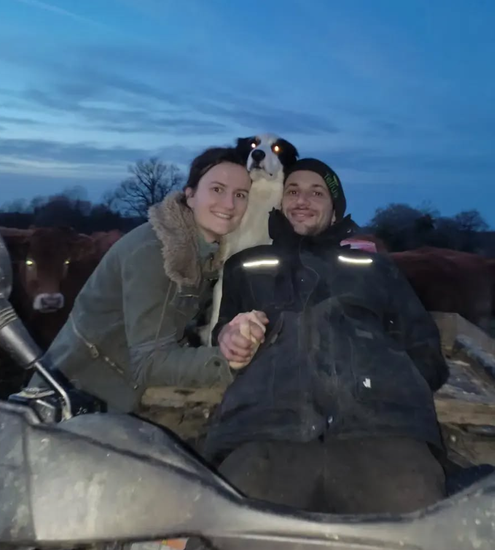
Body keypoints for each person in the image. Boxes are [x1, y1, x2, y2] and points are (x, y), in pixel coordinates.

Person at [206, 158, 449, 515]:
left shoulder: (376, 268)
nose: (302, 199)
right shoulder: (245, 266)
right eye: (293, 191)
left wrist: (389, 389)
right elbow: (222, 332)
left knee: (423, 542)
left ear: (335, 210)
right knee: (224, 543)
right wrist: (229, 339)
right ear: (280, 202)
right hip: (266, 432)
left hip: (383, 434)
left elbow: (425, 347)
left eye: (317, 192)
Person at [26, 146, 251, 412]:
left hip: (115, 394)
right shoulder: (155, 252)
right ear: (190, 196)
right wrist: (227, 361)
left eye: (240, 195)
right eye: (217, 189)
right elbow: (150, 364)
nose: (229, 204)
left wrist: (225, 335)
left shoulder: (202, 253)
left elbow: (169, 327)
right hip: (72, 402)